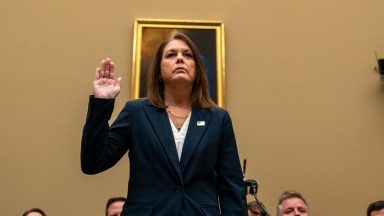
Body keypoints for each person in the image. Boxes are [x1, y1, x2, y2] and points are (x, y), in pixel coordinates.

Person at [81, 32, 247, 215]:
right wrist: (102, 104)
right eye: (171, 55)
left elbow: (231, 187)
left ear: (197, 69)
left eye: (187, 55)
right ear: (158, 71)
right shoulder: (136, 112)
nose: (180, 59)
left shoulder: (218, 119)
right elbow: (93, 162)